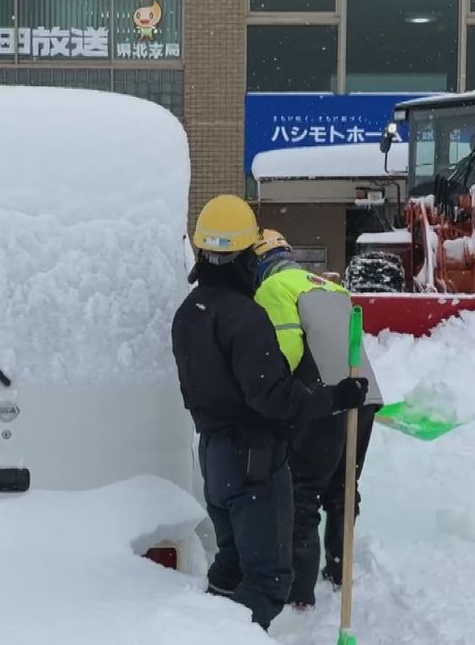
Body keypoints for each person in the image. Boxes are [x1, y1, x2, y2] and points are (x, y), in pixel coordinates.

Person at [171, 195, 369, 631]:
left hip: (215, 458)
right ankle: (219, 639)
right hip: (253, 464)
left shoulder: (188, 314)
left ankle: (191, 632)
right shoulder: (245, 316)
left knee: (231, 566)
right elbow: (274, 398)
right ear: (245, 255)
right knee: (268, 580)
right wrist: (337, 398)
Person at [250, 229, 383, 607]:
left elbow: (287, 351)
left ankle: (299, 598)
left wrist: (277, 399)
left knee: (303, 495)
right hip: (366, 395)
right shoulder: (331, 288)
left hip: (325, 401)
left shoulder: (273, 289)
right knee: (343, 490)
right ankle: (339, 574)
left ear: (259, 263)